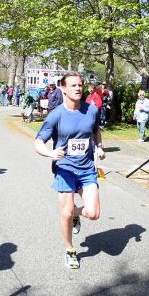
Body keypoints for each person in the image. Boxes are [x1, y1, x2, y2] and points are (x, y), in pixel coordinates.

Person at [35, 71, 105, 269]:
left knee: (93, 213)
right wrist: (50, 153)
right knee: (64, 214)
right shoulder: (56, 115)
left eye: (80, 85)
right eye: (73, 85)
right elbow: (39, 142)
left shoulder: (91, 110)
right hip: (65, 169)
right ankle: (70, 250)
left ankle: (76, 213)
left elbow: (96, 131)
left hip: (86, 169)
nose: (78, 88)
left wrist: (99, 147)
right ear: (63, 89)